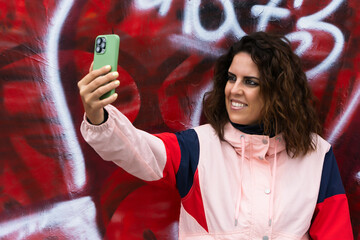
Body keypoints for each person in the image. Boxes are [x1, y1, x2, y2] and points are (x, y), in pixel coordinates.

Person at [78, 32, 353, 239]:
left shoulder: (317, 156)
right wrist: (97, 115)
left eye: (251, 82)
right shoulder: (198, 147)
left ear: (279, 90)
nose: (234, 90)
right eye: (232, 78)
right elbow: (137, 149)